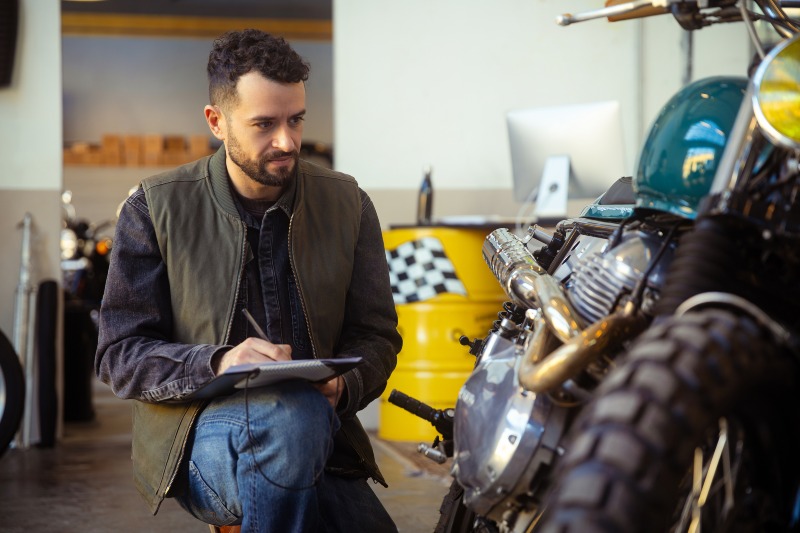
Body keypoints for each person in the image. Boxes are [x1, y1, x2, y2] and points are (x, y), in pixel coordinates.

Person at [95, 29, 402, 532]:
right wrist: (219, 361)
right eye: (264, 124)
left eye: (296, 119)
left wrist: (345, 385)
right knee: (289, 419)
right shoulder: (153, 207)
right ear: (217, 121)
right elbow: (118, 355)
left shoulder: (349, 204)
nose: (287, 141)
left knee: (300, 420)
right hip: (198, 439)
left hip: (320, 435)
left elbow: (377, 335)